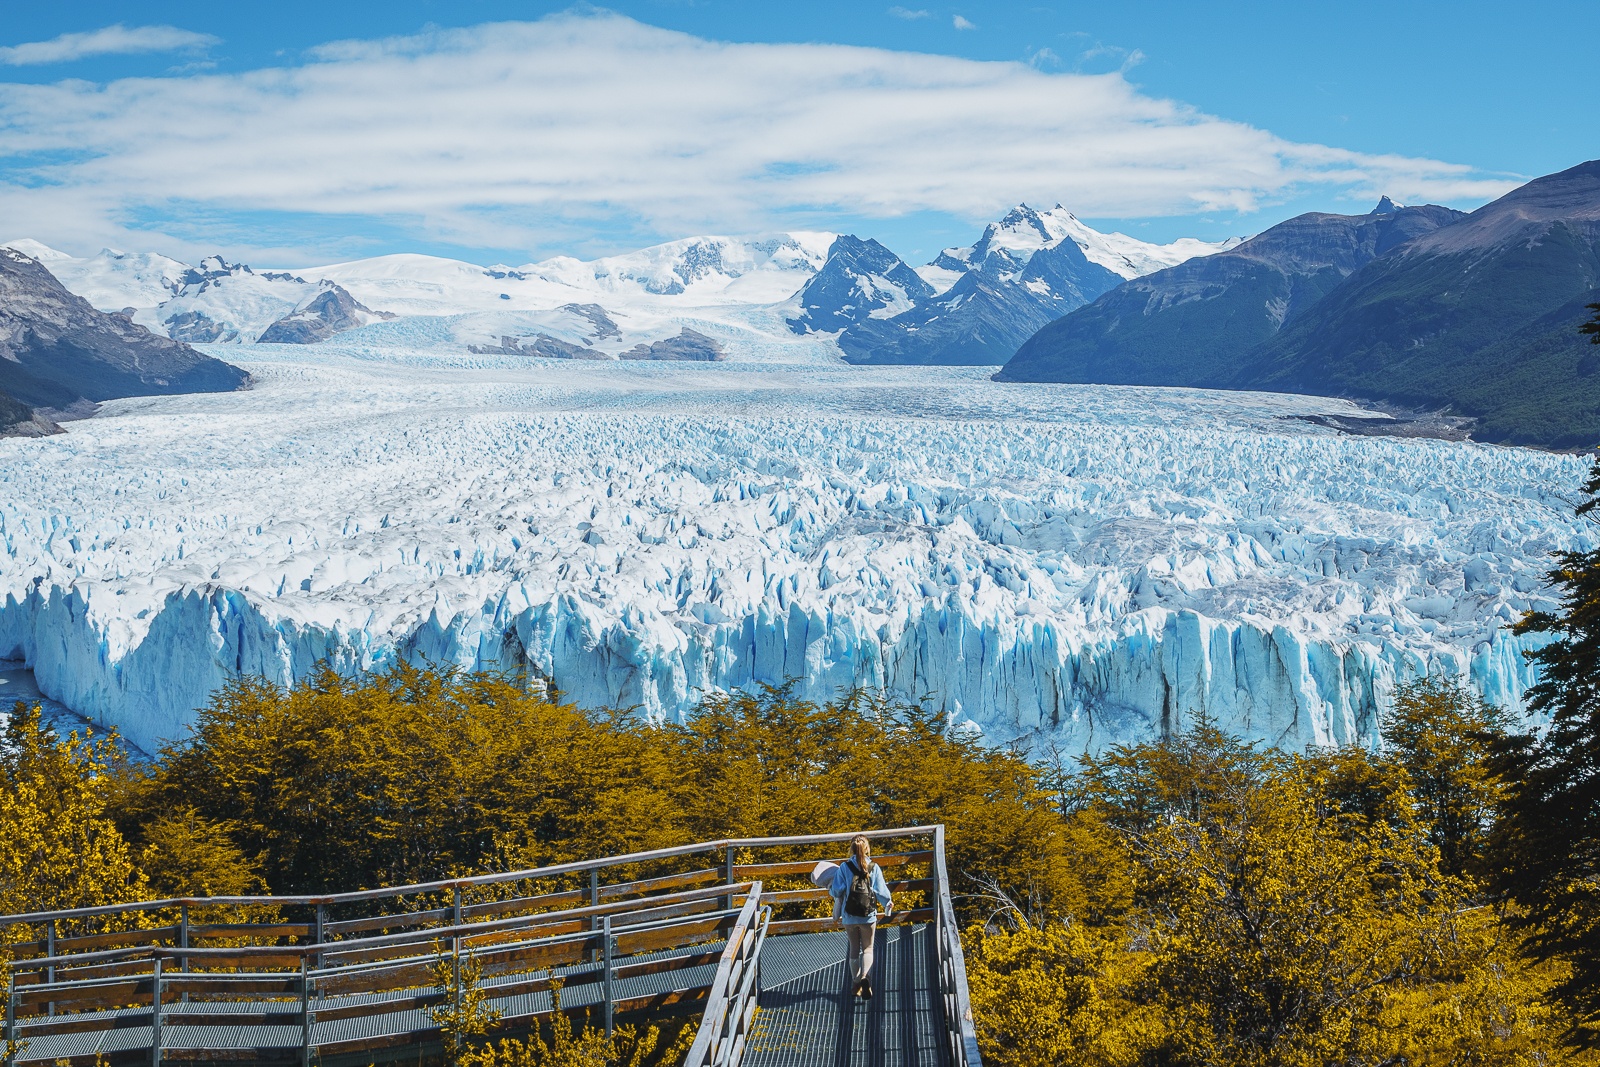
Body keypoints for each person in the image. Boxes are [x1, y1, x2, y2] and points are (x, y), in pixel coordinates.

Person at [830, 834, 892, 998]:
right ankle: (866, 977)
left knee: (854, 949)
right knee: (868, 949)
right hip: (868, 916)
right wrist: (887, 903)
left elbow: (836, 891)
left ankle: (856, 983)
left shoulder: (844, 867)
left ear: (851, 848)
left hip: (849, 916)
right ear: (867, 849)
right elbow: (880, 891)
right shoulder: (874, 867)